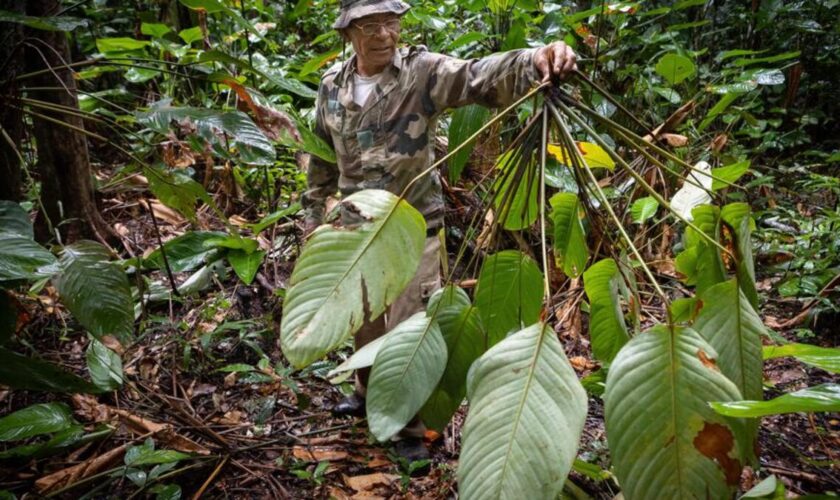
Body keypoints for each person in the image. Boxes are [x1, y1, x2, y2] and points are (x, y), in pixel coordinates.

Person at [301, 0, 577, 464]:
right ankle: (368, 394)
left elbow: (477, 76)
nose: (385, 34)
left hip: (415, 226)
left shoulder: (421, 73)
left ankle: (410, 425)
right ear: (349, 31)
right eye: (371, 25)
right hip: (356, 227)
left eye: (392, 23)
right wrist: (313, 219)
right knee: (365, 318)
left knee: (411, 323)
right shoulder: (333, 86)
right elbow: (322, 157)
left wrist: (533, 60)